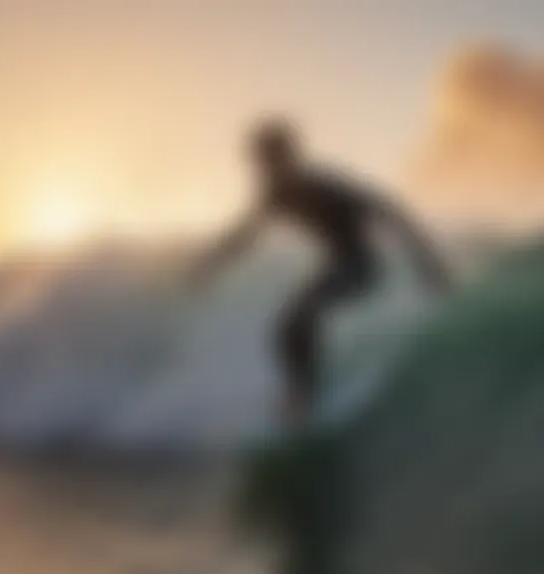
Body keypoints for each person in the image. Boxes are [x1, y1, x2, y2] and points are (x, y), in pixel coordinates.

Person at [191, 118, 451, 424]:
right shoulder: (276, 195)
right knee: (287, 328)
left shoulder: (321, 186)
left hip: (361, 267)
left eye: (270, 160)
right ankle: (306, 396)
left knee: (299, 318)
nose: (264, 169)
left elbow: (388, 210)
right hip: (339, 264)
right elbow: (244, 236)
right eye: (260, 162)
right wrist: (207, 265)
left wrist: (428, 262)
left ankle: (303, 400)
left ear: (288, 157)